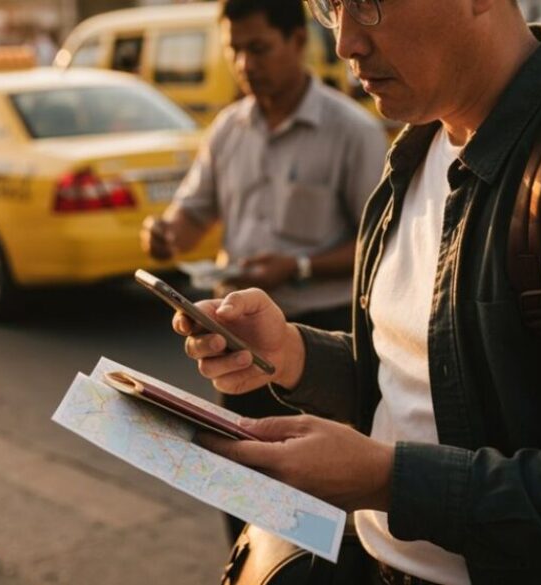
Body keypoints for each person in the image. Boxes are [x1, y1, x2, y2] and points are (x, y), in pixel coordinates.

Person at [175, 0, 541, 583]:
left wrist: (386, 480)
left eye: (368, 5)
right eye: (330, 6)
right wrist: (293, 354)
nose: (344, 43)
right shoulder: (419, 151)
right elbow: (429, 390)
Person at [140, 0, 387, 543]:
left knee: (318, 524)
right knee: (242, 499)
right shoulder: (228, 129)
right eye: (234, 50)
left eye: (258, 48)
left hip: (321, 346)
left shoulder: (351, 130)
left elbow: (380, 243)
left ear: (298, 42)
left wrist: (298, 266)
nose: (245, 64)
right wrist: (164, 233)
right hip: (238, 342)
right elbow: (190, 215)